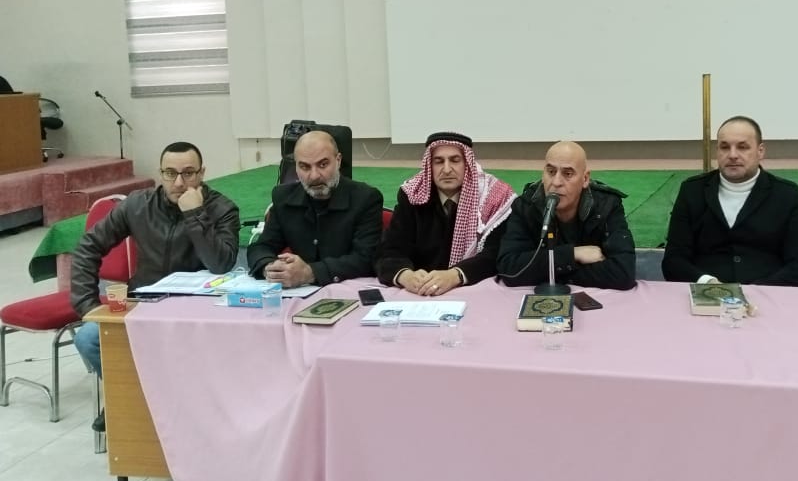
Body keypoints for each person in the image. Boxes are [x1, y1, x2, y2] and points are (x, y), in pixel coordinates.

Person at [70, 141, 240, 431]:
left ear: (202, 173)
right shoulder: (137, 205)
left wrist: (195, 214)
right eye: (170, 173)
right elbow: (89, 247)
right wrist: (88, 306)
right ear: (160, 173)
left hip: (196, 310)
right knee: (88, 338)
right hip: (142, 303)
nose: (179, 182)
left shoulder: (222, 209)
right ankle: (131, 394)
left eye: (188, 173)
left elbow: (220, 264)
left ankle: (153, 402)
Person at [662, 115, 798, 286]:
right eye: (724, 147)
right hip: (705, 294)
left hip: (768, 295)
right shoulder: (692, 191)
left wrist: (755, 291)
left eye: (742, 147)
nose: (732, 155)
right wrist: (707, 282)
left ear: (760, 151)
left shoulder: (787, 195)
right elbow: (673, 261)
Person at [377, 132, 515, 296]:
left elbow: (496, 253)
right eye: (439, 161)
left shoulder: (493, 197)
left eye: (455, 160)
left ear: (467, 164)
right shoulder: (412, 195)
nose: (447, 169)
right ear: (429, 166)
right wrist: (405, 275)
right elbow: (390, 249)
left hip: (471, 290)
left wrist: (454, 275)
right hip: (420, 293)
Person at [247, 129, 382, 287]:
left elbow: (366, 259)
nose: (314, 176)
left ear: (338, 160)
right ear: (295, 167)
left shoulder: (365, 198)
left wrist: (309, 273)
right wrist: (271, 268)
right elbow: (261, 247)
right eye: (304, 167)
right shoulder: (283, 198)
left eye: (323, 165)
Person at [497, 141, 635, 290]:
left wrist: (549, 272)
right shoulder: (526, 205)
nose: (556, 182)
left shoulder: (606, 205)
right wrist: (572, 255)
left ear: (585, 179)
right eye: (551, 172)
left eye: (568, 174)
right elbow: (509, 269)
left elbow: (623, 273)